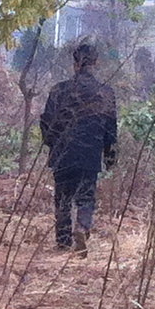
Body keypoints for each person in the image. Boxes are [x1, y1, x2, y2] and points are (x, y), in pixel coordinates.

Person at [38, 41, 119, 254]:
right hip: (90, 154)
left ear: (74, 63)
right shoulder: (105, 92)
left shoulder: (59, 90)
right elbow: (110, 128)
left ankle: (63, 242)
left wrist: (52, 145)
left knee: (63, 199)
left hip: (63, 153)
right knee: (86, 196)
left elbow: (46, 122)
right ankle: (82, 227)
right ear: (96, 63)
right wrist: (109, 156)